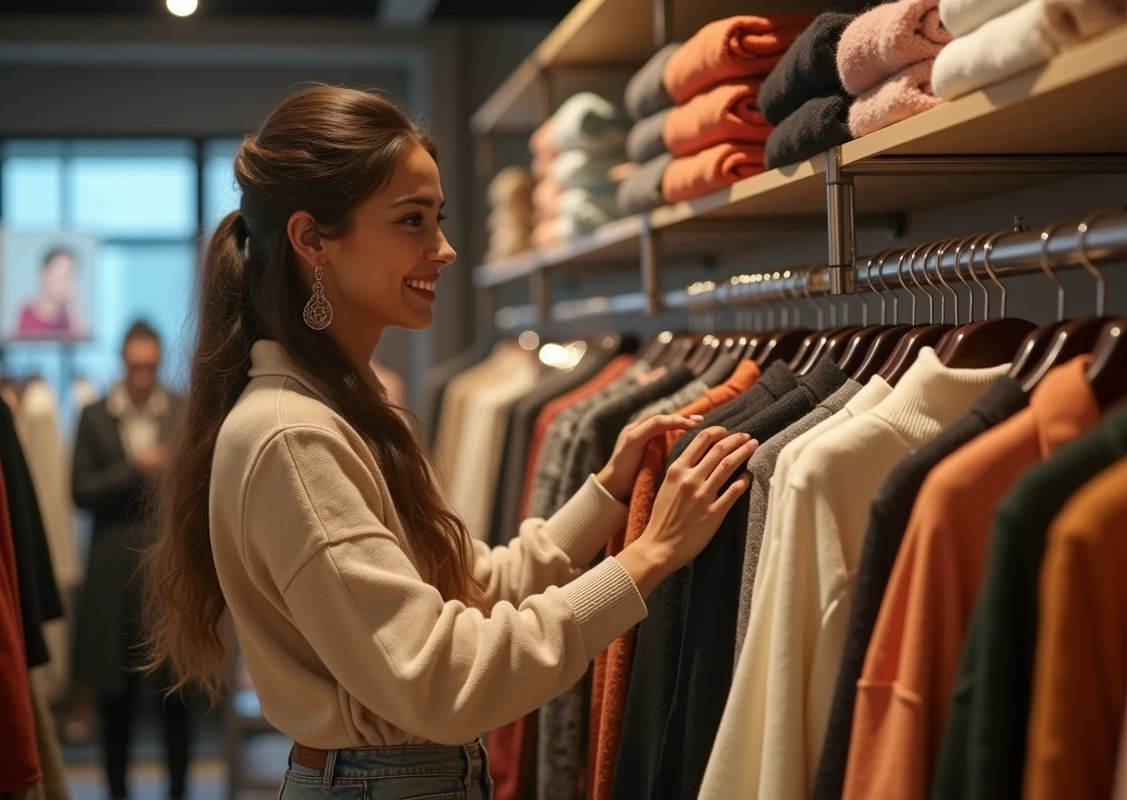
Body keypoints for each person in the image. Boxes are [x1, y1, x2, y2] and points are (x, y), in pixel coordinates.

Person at [140, 85, 755, 800]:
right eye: (412, 221)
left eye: (439, 219)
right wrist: (646, 562)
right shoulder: (292, 438)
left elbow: (466, 588)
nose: (446, 249)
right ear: (312, 240)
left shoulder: (344, 410)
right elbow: (441, 680)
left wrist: (607, 497)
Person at [73, 321, 190, 800]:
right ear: (122, 363)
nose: (142, 376)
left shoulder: (181, 410)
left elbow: (196, 486)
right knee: (113, 697)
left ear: (159, 363)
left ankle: (179, 790)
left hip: (166, 572)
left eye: (150, 366)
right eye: (134, 366)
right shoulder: (95, 415)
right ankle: (115, 789)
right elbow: (78, 490)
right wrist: (135, 469)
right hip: (108, 572)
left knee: (176, 693)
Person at [16, 247, 86, 339]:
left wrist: (74, 309)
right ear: (44, 275)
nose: (65, 285)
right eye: (60, 278)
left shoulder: (70, 315)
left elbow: (83, 345)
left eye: (70, 278)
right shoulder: (28, 313)